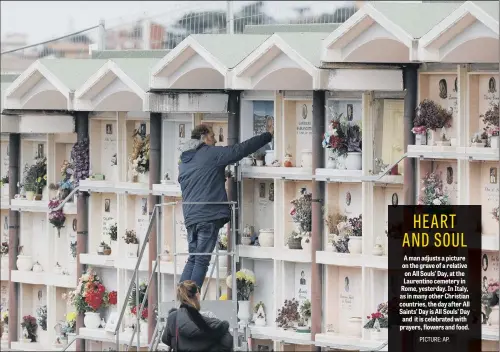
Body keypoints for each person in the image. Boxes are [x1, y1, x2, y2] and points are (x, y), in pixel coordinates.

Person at [178, 124, 273, 288]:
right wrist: (268, 135)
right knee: (201, 260)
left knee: (193, 257)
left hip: (190, 216)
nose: (215, 141)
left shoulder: (185, 160)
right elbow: (238, 150)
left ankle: (181, 300)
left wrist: (221, 175)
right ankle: (189, 304)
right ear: (204, 136)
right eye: (213, 136)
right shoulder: (209, 153)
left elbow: (201, 178)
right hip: (207, 215)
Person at [162, 280, 233, 351]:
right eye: (199, 291)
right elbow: (227, 340)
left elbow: (165, 339)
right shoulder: (208, 316)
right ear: (197, 295)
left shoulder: (173, 317)